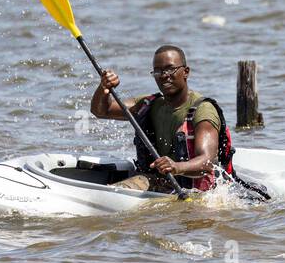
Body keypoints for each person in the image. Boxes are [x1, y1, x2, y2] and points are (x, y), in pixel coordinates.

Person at [89, 44, 231, 193]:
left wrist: (176, 167)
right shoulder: (149, 104)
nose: (164, 75)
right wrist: (103, 88)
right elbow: (101, 111)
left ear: (186, 72)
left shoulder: (203, 110)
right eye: (158, 71)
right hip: (159, 182)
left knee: (117, 192)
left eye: (170, 69)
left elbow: (208, 162)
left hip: (193, 189)